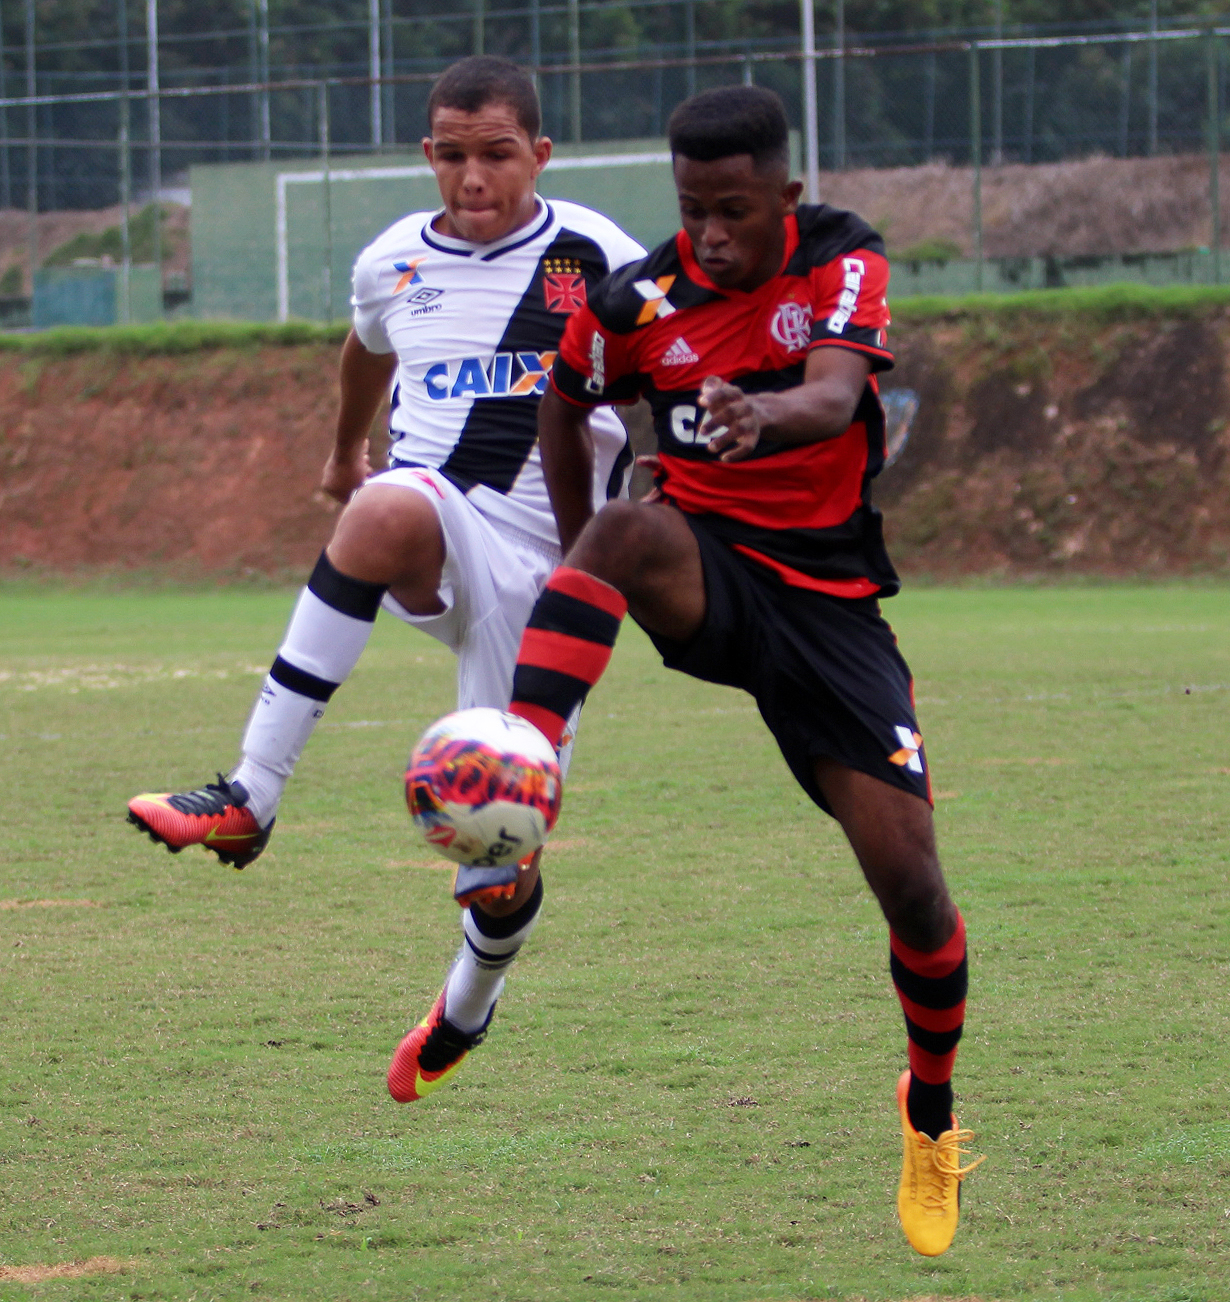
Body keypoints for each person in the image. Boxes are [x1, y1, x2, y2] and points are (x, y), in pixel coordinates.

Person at [497, 85, 982, 1257]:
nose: (709, 237)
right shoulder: (635, 303)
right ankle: (521, 773)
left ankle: (928, 1114)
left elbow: (836, 393)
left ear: (785, 196)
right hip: (708, 569)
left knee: (914, 891)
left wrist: (765, 419)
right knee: (623, 529)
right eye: (691, 212)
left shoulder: (840, 258)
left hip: (830, 609)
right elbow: (564, 405)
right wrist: (576, 549)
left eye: (733, 211)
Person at [125, 57, 645, 1101]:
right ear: (427, 155)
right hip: (440, 528)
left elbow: (664, 375)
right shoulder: (394, 261)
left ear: (540, 155)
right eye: (452, 155)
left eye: (497, 154)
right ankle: (250, 794)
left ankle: (466, 1008)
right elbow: (365, 349)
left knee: (501, 863)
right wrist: (344, 450)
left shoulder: (600, 257)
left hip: (556, 584)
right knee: (381, 508)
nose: (473, 177)